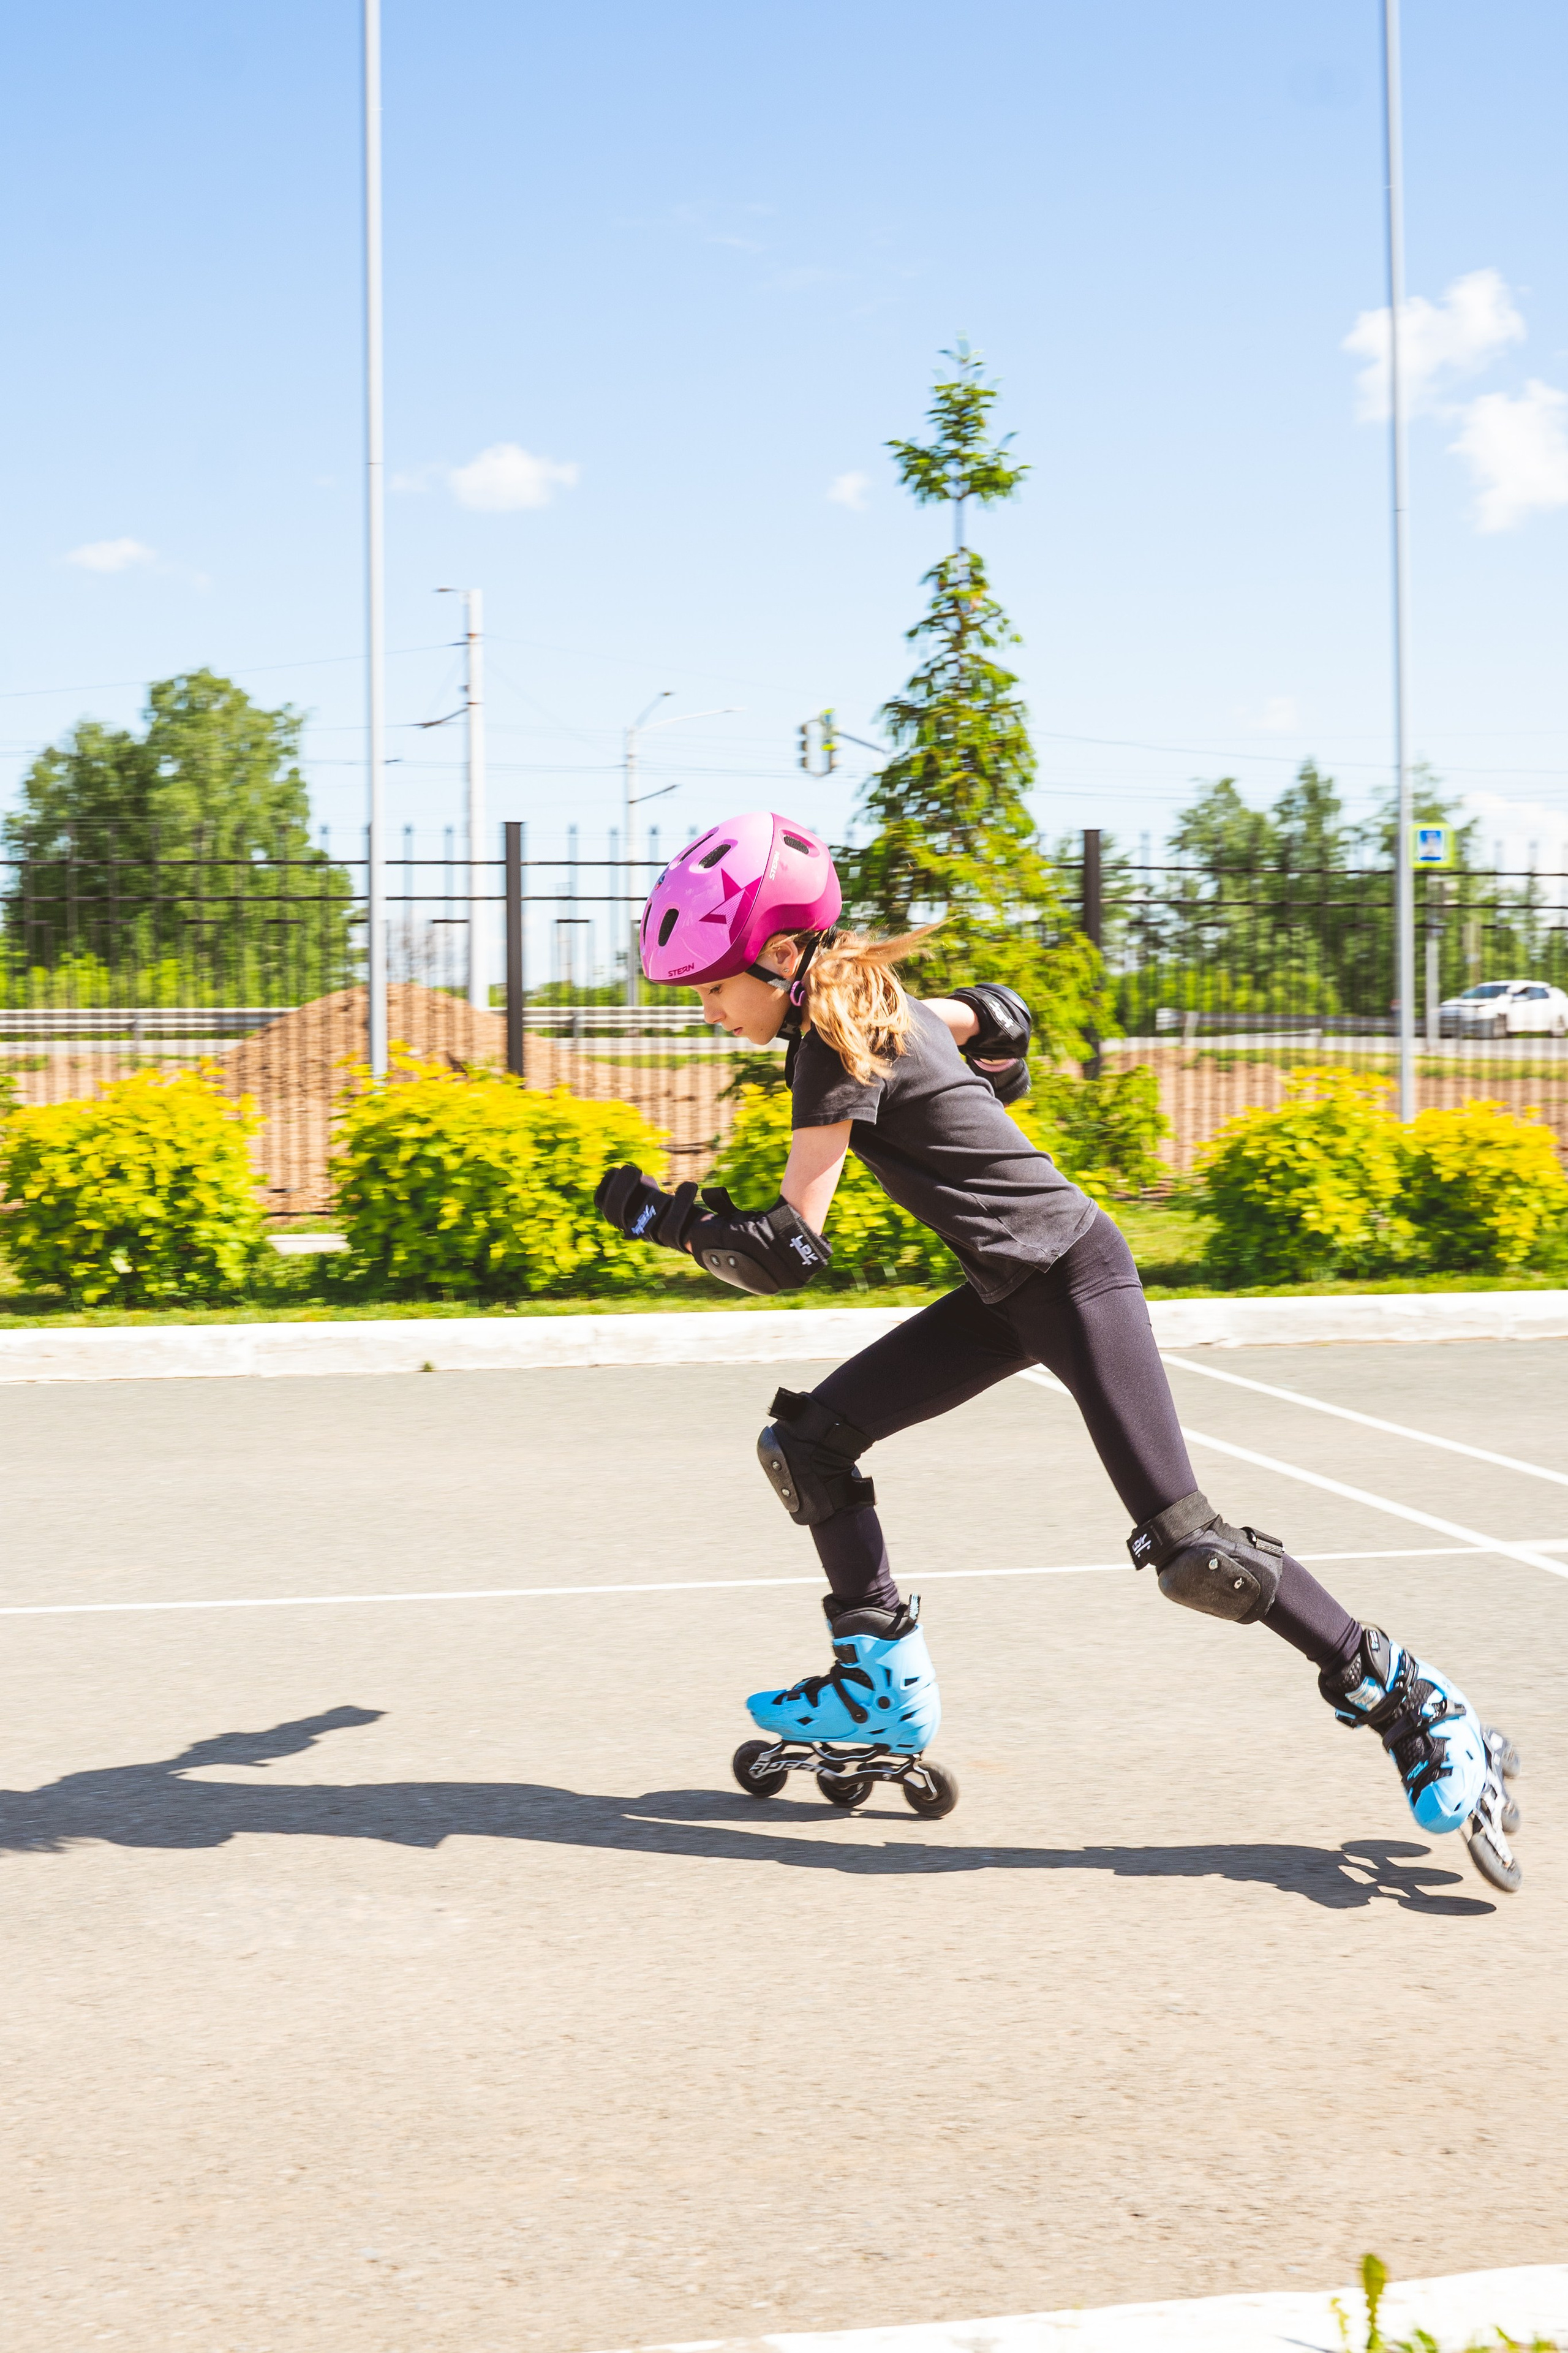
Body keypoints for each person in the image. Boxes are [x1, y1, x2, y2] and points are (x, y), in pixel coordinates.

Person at [595, 810, 1521, 1890]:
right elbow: (993, 1016)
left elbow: (794, 1247)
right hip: (1006, 1289)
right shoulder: (870, 1001)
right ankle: (875, 1686)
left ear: (785, 957)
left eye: (715, 987)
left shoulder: (830, 1046)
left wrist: (670, 1225)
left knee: (1194, 1553)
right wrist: (988, 1039)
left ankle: (1416, 1702)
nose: (708, 1010)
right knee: (809, 1443)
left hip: (1075, 1278)